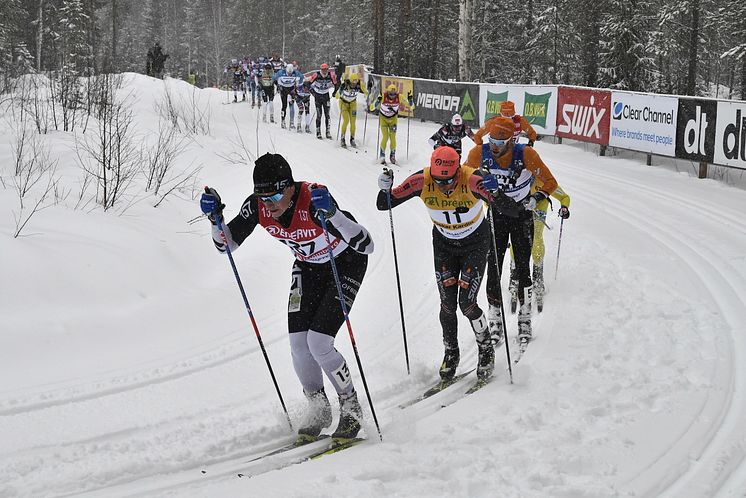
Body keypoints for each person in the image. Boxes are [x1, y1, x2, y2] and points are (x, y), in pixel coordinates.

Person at [200, 153, 375, 440]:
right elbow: (226, 245)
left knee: (319, 342)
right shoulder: (258, 206)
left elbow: (366, 245)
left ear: (291, 187)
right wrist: (214, 219)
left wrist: (334, 215)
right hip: (308, 267)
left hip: (344, 263)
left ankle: (351, 405)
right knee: (298, 344)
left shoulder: (313, 200)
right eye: (263, 199)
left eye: (275, 197)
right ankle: (318, 407)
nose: (270, 206)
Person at [375, 147, 519, 383]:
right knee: (447, 304)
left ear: (458, 169)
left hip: (475, 243)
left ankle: (485, 348)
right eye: (439, 179)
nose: (444, 186)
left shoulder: (473, 179)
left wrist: (497, 193)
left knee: (467, 303)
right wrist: (384, 187)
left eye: (450, 179)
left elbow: (510, 210)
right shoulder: (421, 180)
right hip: (444, 246)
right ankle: (451, 351)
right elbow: (384, 204)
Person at [464, 117, 557, 346]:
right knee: (493, 267)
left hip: (521, 213)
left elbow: (550, 182)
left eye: (501, 141)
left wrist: (536, 198)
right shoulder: (479, 152)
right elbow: (463, 179)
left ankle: (524, 319)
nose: (495, 146)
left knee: (523, 267)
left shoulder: (525, 154)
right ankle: (495, 320)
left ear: (511, 140)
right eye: (492, 140)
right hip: (496, 214)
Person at [508, 183, 571, 313]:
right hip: (520, 211)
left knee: (536, 239)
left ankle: (537, 278)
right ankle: (514, 278)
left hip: (538, 212)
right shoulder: (518, 176)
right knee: (517, 240)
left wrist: (564, 207)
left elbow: (564, 197)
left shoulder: (543, 178)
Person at [371, 84, 414, 165]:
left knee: (393, 137)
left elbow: (411, 107)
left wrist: (410, 100)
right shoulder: (383, 96)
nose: (392, 96)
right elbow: (372, 108)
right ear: (388, 92)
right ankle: (382, 155)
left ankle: (392, 155)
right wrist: (378, 101)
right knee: (385, 136)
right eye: (390, 94)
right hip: (383, 119)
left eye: (394, 94)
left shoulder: (399, 97)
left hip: (393, 119)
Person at [337, 73, 368, 148]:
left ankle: (352, 138)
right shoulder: (345, 84)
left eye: (355, 82)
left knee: (353, 122)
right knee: (346, 120)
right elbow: (338, 94)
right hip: (343, 103)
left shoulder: (359, 84)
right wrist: (338, 93)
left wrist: (367, 90)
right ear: (350, 81)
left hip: (353, 103)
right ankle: (342, 138)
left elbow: (366, 92)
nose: (354, 84)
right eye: (352, 82)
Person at [309, 63, 337, 139]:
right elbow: (308, 84)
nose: (325, 71)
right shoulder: (316, 75)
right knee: (319, 115)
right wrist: (313, 92)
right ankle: (318, 132)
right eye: (323, 69)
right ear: (320, 69)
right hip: (318, 96)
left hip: (326, 96)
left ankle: (328, 132)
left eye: (326, 69)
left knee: (327, 115)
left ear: (328, 69)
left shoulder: (331, 75)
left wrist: (335, 92)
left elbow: (336, 84)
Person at [273, 63, 303, 129]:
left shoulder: (296, 72)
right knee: (284, 106)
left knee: (291, 106)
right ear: (286, 70)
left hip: (291, 90)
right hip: (283, 90)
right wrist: (278, 85)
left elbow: (302, 78)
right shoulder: (281, 72)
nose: (289, 74)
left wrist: (298, 84)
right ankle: (283, 121)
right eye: (288, 73)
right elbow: (274, 77)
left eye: (291, 73)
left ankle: (291, 122)